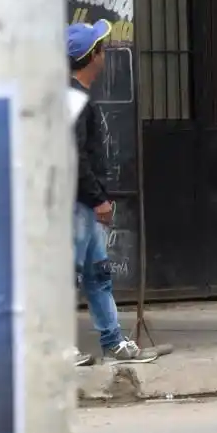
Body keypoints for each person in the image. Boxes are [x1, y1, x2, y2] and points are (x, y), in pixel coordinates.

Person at [68, 20, 157, 364]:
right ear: (93, 56)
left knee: (98, 275)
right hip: (77, 205)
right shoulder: (74, 101)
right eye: (101, 49)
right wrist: (99, 199)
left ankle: (113, 342)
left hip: (86, 206)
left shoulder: (78, 98)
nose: (105, 55)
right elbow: (74, 158)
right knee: (71, 276)